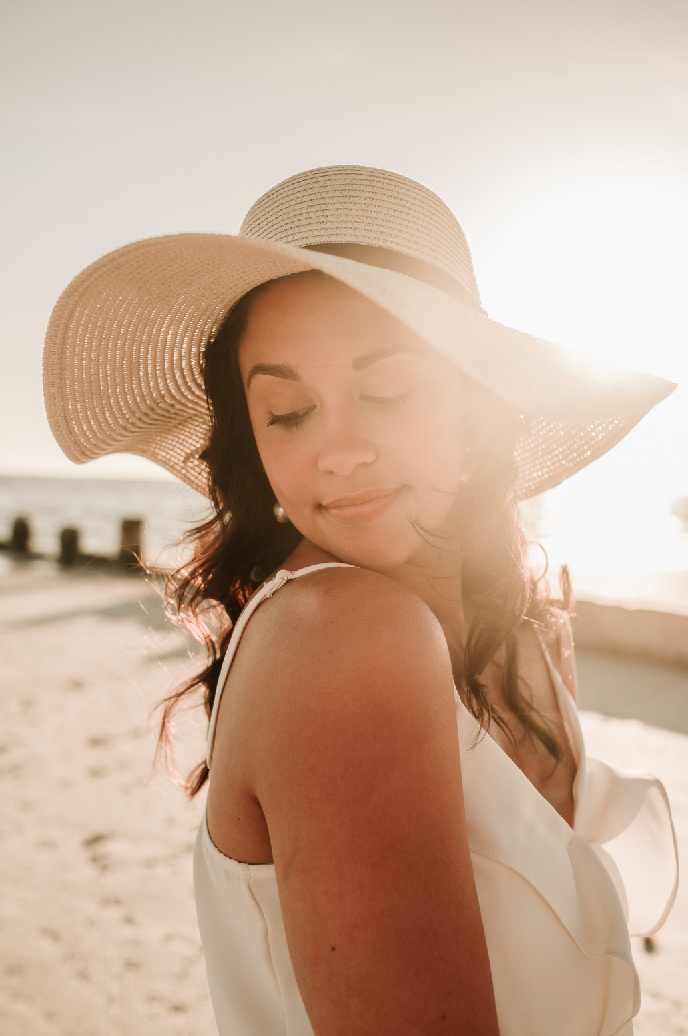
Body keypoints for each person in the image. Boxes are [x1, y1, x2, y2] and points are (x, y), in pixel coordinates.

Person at [44, 165, 679, 1035]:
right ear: (251, 444)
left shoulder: (524, 634)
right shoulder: (341, 638)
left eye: (387, 391)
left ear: (476, 412)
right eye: (289, 411)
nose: (338, 452)